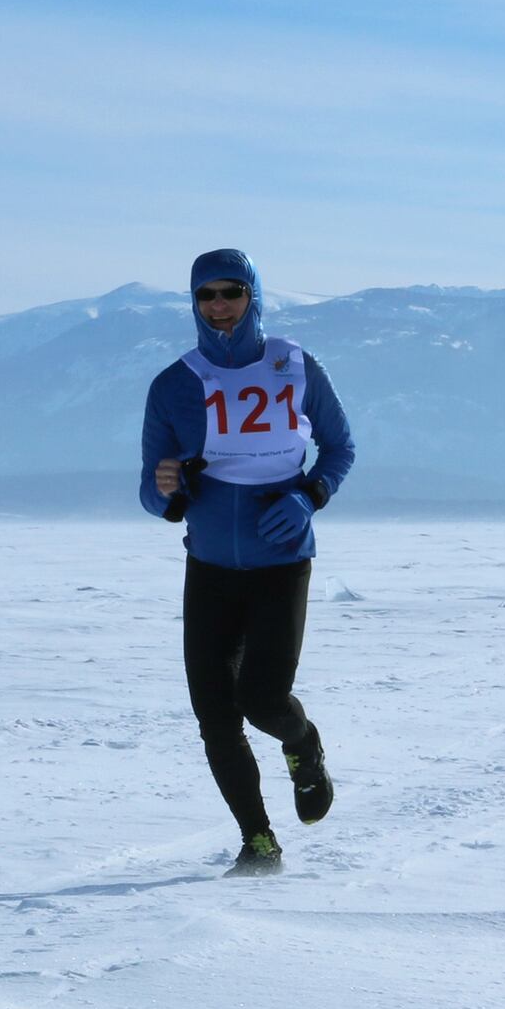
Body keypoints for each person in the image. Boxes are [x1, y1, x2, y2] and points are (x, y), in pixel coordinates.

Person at [140, 249, 356, 877]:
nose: (219, 305)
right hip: (209, 566)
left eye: (231, 291)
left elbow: (340, 447)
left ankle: (303, 744)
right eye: (206, 295)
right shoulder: (174, 385)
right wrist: (168, 486)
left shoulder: (294, 366)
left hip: (280, 562)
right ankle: (258, 841)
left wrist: (308, 496)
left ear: (254, 295)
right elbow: (152, 495)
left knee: (262, 698)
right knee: (215, 716)